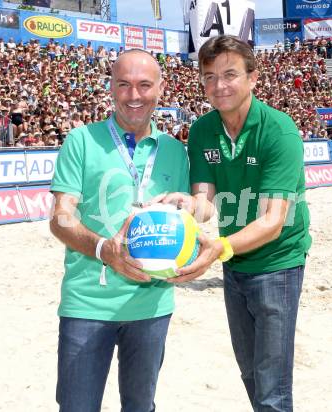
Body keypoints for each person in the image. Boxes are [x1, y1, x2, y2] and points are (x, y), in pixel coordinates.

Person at [157, 35, 312, 412]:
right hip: (234, 261)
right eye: (209, 77)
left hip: (278, 263)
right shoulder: (202, 130)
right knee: (251, 375)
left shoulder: (279, 130)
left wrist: (218, 249)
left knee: (272, 386)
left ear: (253, 77)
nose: (219, 86)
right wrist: (186, 204)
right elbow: (207, 204)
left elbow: (273, 221)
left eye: (230, 74)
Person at [49, 49, 190, 412]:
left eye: (144, 85)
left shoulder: (175, 150)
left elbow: (190, 217)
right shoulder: (81, 140)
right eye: (124, 84)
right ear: (110, 87)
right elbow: (60, 217)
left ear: (161, 88)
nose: (134, 95)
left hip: (152, 305)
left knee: (141, 407)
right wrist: (103, 250)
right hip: (87, 305)